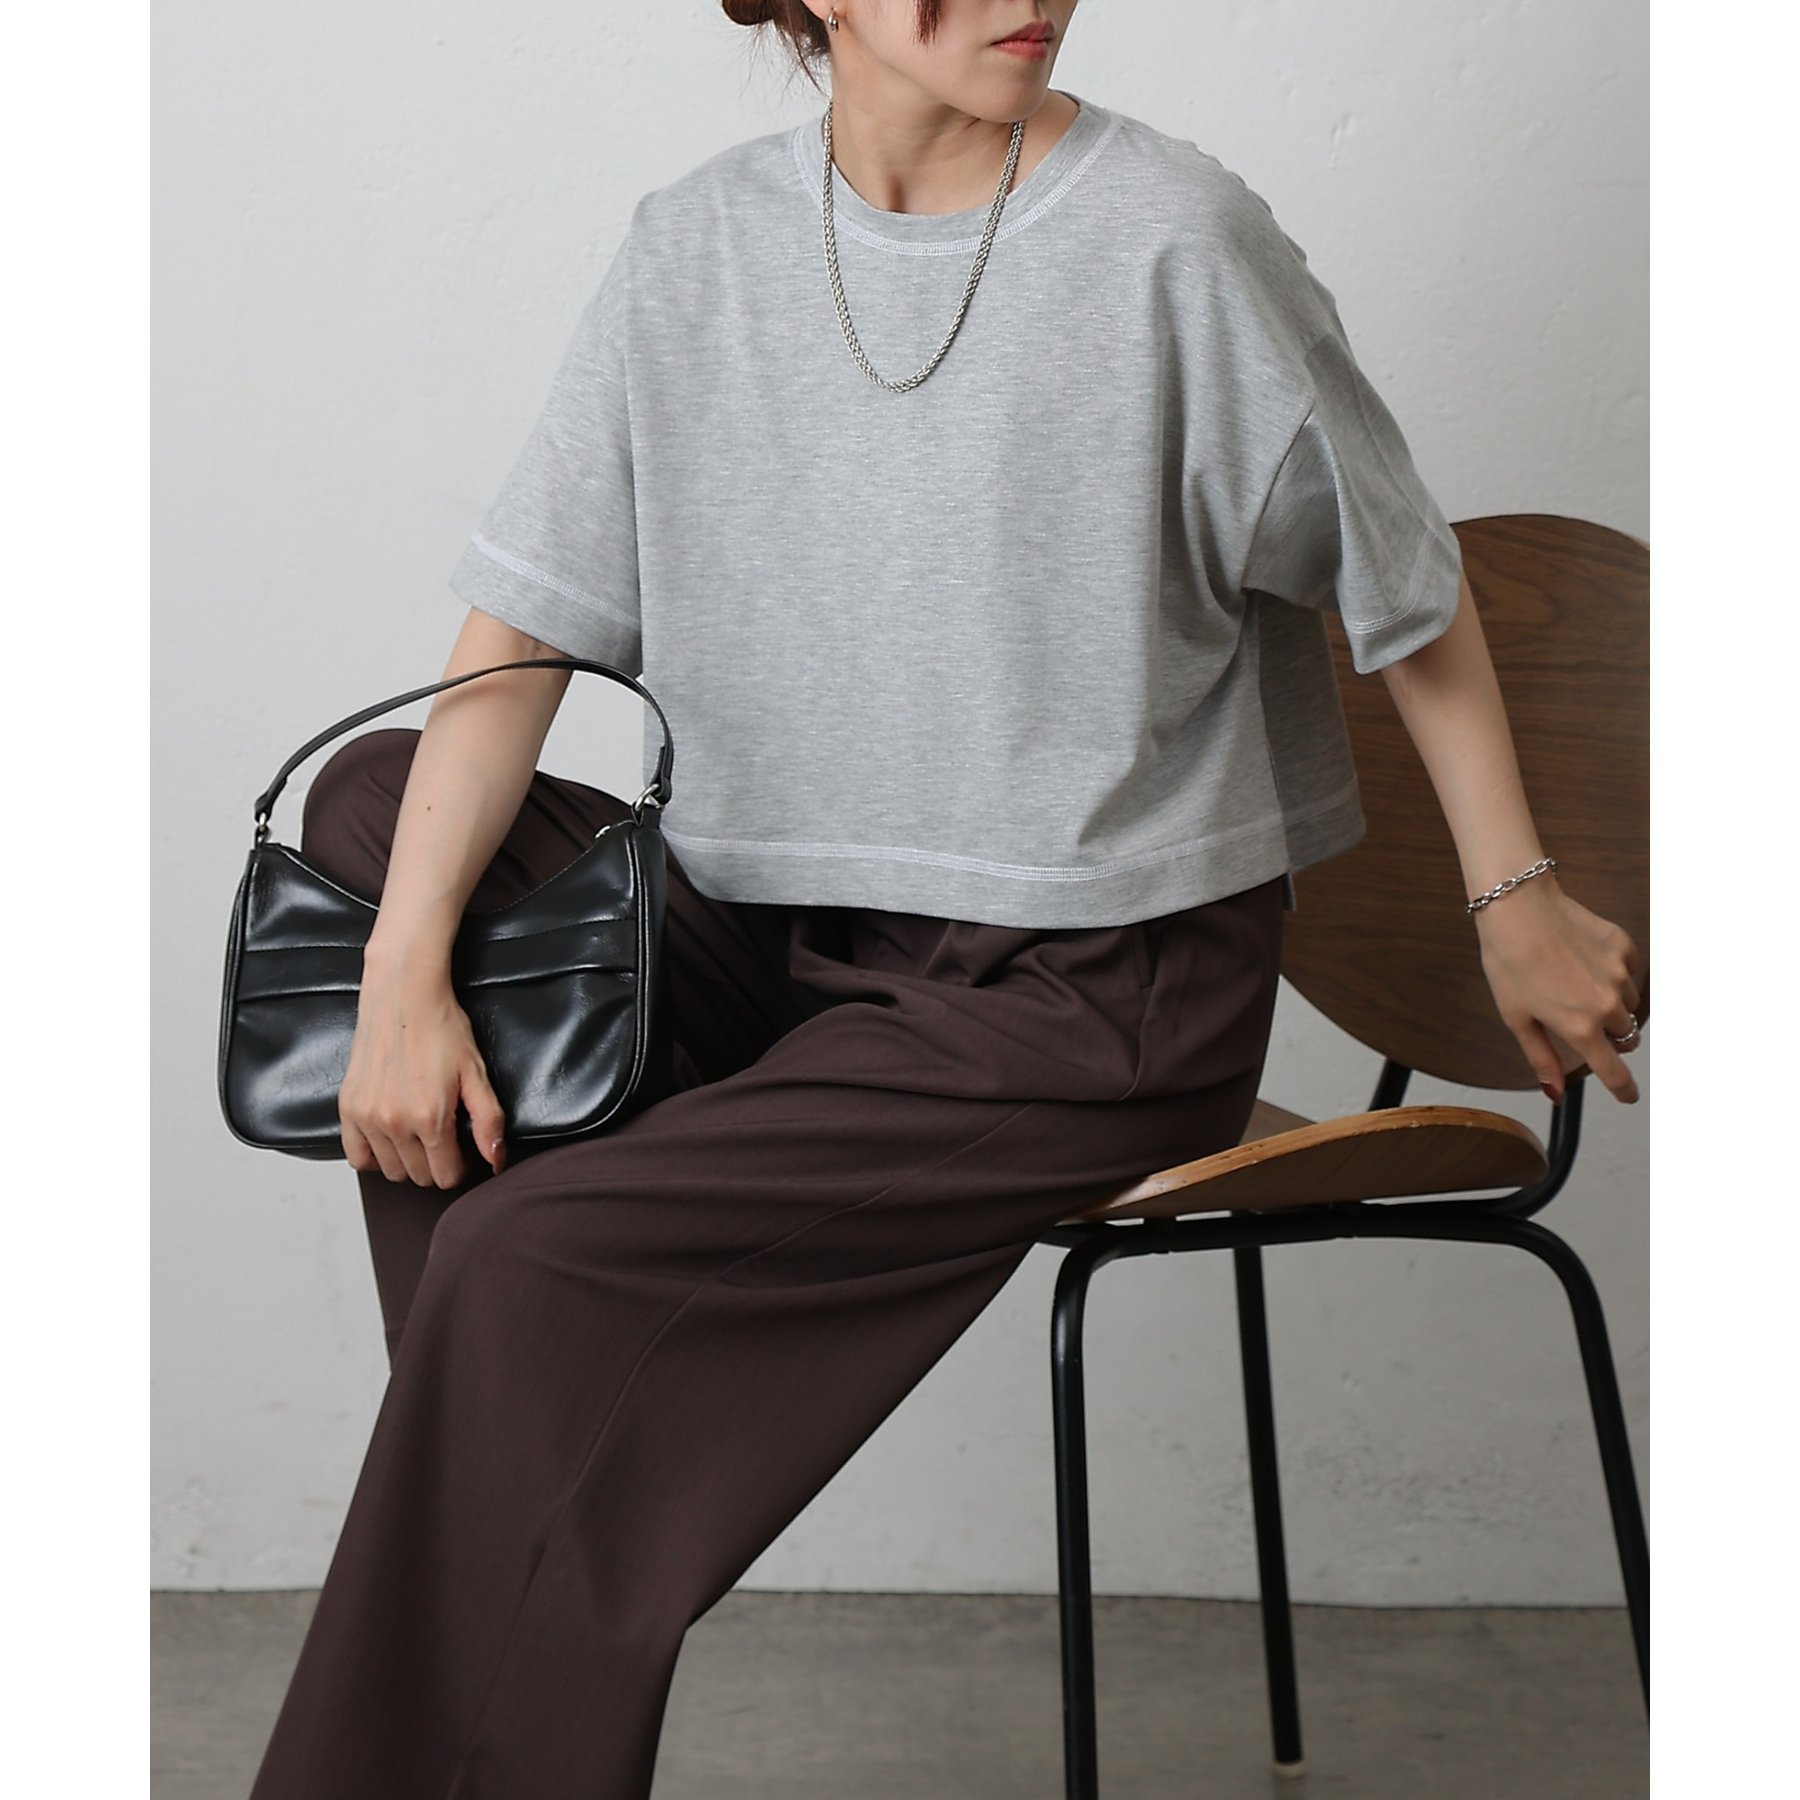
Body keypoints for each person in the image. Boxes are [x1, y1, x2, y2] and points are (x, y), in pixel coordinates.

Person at [246, 4, 1645, 1796]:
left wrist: (1514, 895)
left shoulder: (1173, 240)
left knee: (522, 1261)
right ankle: (517, 1480)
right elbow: (518, 636)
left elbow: (1407, 584)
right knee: (379, 822)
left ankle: (503, 1492)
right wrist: (403, 973)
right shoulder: (696, 246)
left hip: (1093, 993)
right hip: (790, 946)